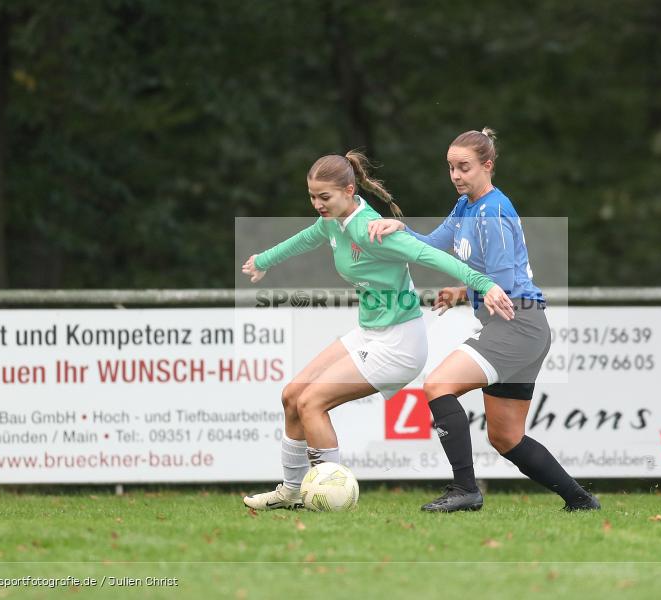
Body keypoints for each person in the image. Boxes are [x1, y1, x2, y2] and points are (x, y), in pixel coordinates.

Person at [241, 150, 514, 510]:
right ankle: (291, 492)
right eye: (312, 197)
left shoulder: (371, 230)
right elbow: (305, 238)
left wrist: (484, 283)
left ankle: (331, 497)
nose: (318, 205)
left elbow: (430, 256)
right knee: (292, 394)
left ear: (349, 190)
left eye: (325, 197)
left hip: (398, 343)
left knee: (311, 402)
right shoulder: (333, 221)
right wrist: (263, 261)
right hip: (370, 333)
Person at [367, 128, 600, 512]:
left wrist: (470, 289)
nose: (456, 175)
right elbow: (431, 244)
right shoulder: (466, 207)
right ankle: (580, 500)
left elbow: (504, 281)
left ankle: (465, 490)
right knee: (506, 437)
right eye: (451, 168)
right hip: (520, 325)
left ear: (487, 166)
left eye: (464, 167)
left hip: (518, 324)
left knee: (438, 384)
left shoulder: (493, 209)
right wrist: (401, 229)